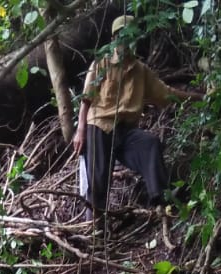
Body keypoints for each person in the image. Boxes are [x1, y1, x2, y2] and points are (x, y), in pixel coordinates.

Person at [71, 15, 192, 216]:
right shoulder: (102, 63)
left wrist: (199, 97)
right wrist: (81, 130)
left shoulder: (141, 71)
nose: (126, 41)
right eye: (122, 36)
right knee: (99, 177)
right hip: (99, 126)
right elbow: (86, 99)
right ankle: (95, 225)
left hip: (125, 131)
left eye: (130, 36)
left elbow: (167, 93)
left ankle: (162, 199)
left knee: (150, 144)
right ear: (114, 39)